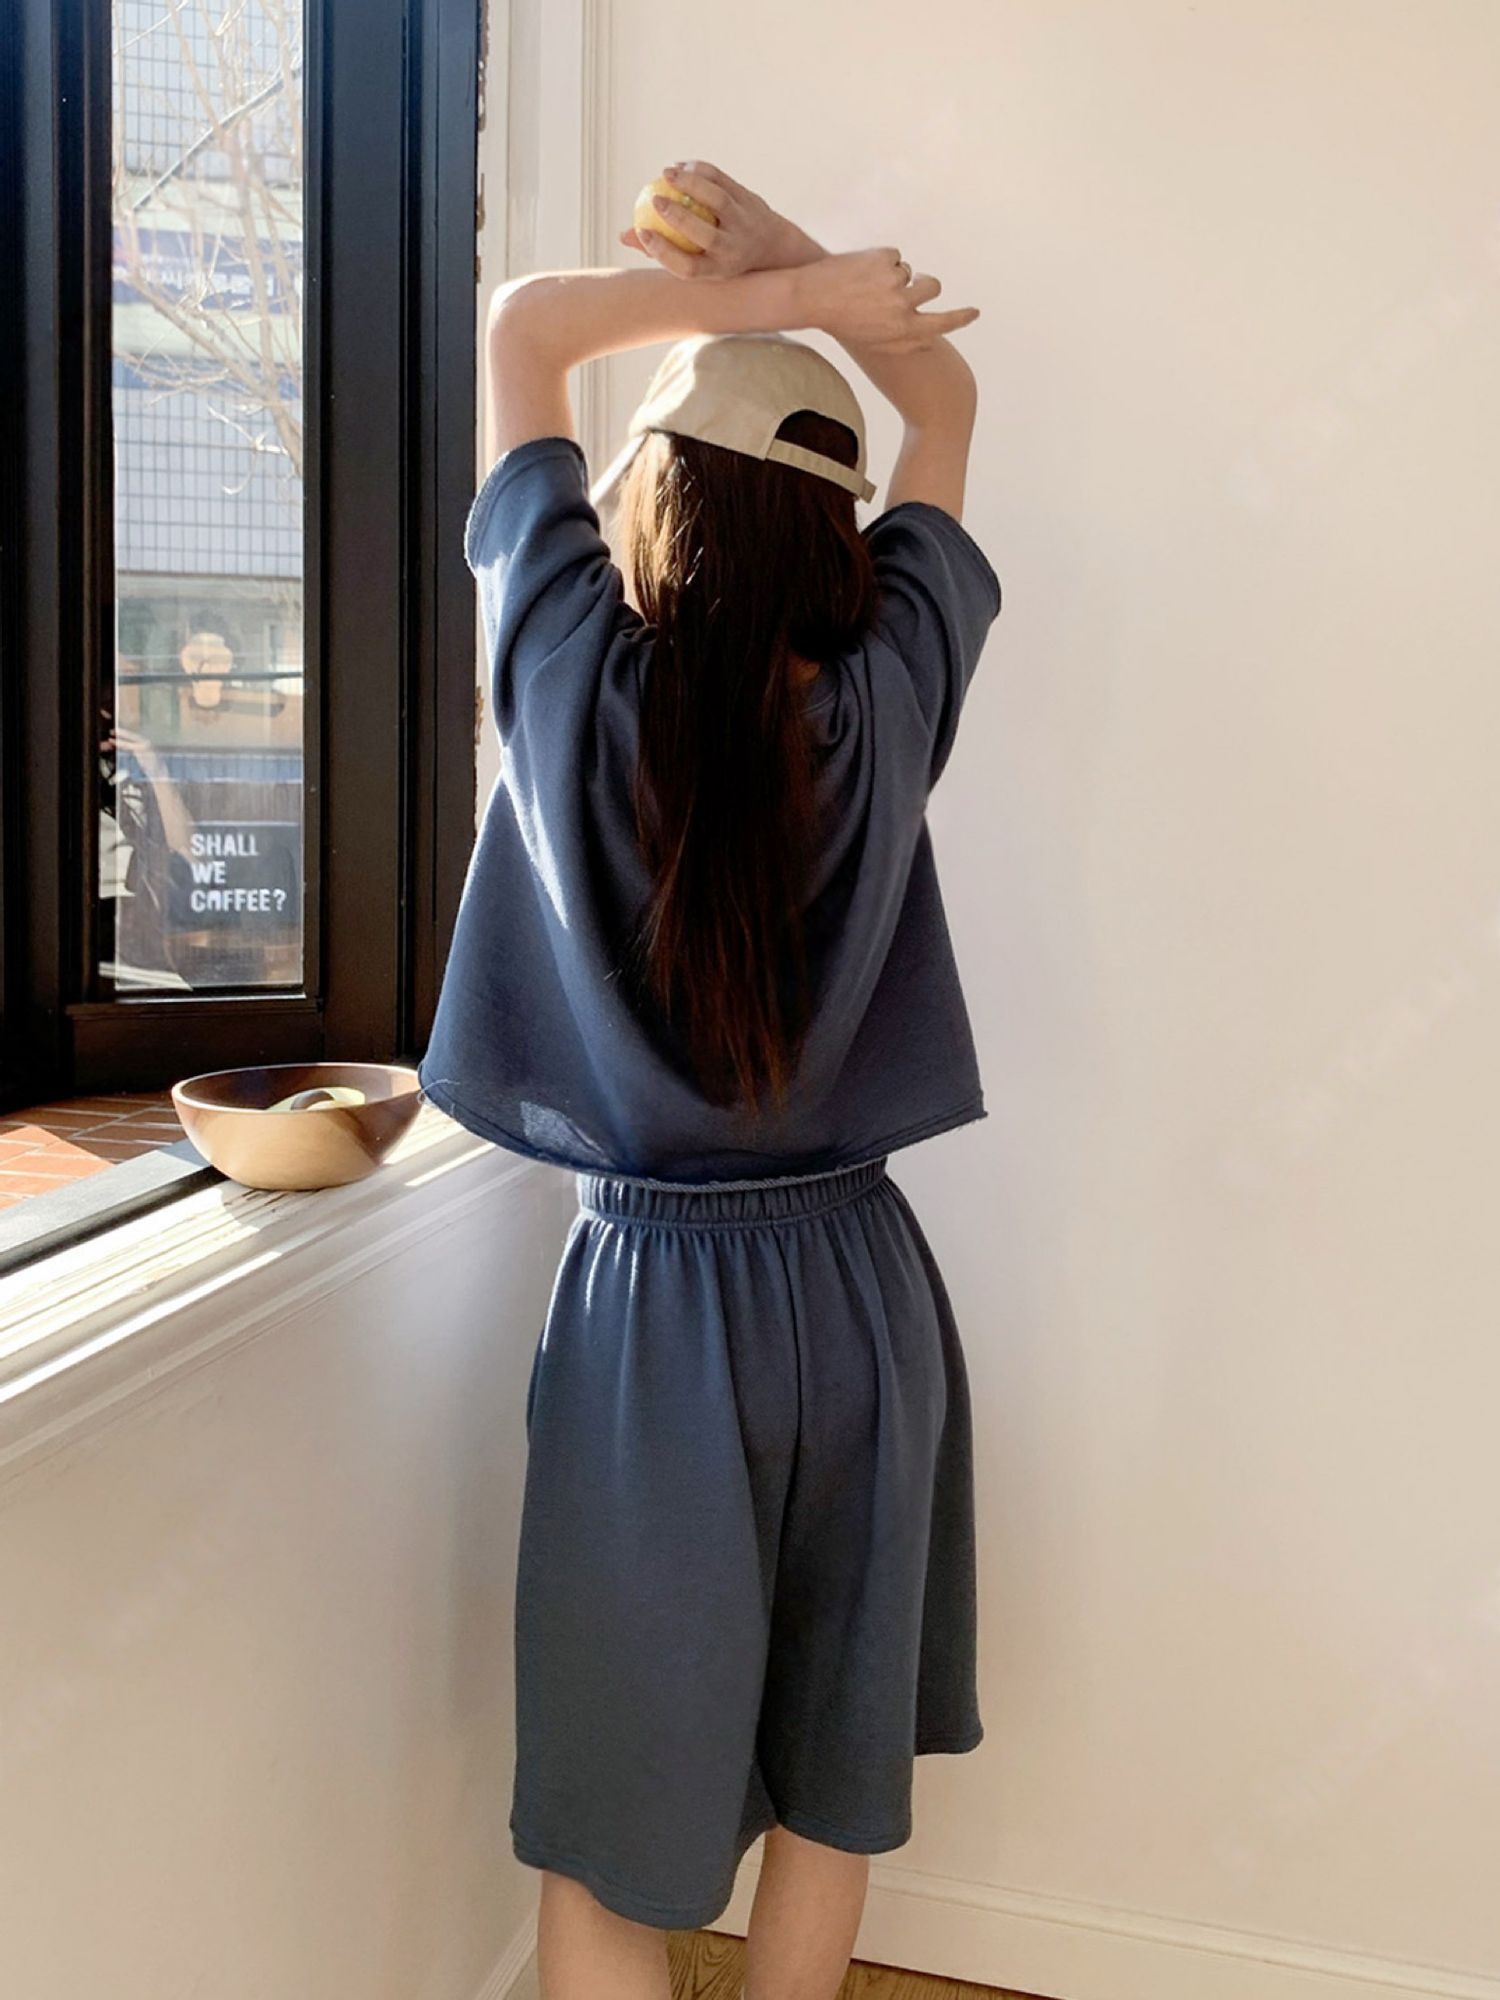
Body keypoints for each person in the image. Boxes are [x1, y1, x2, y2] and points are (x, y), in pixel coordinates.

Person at [418, 160, 1002, 2000]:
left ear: (647, 498)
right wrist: (813, 280)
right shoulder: (888, 692)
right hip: (863, 1294)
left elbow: (524, 329)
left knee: (616, 1817)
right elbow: (946, 400)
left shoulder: (564, 671)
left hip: (656, 1318)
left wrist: (770, 293)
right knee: (833, 1775)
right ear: (840, 538)